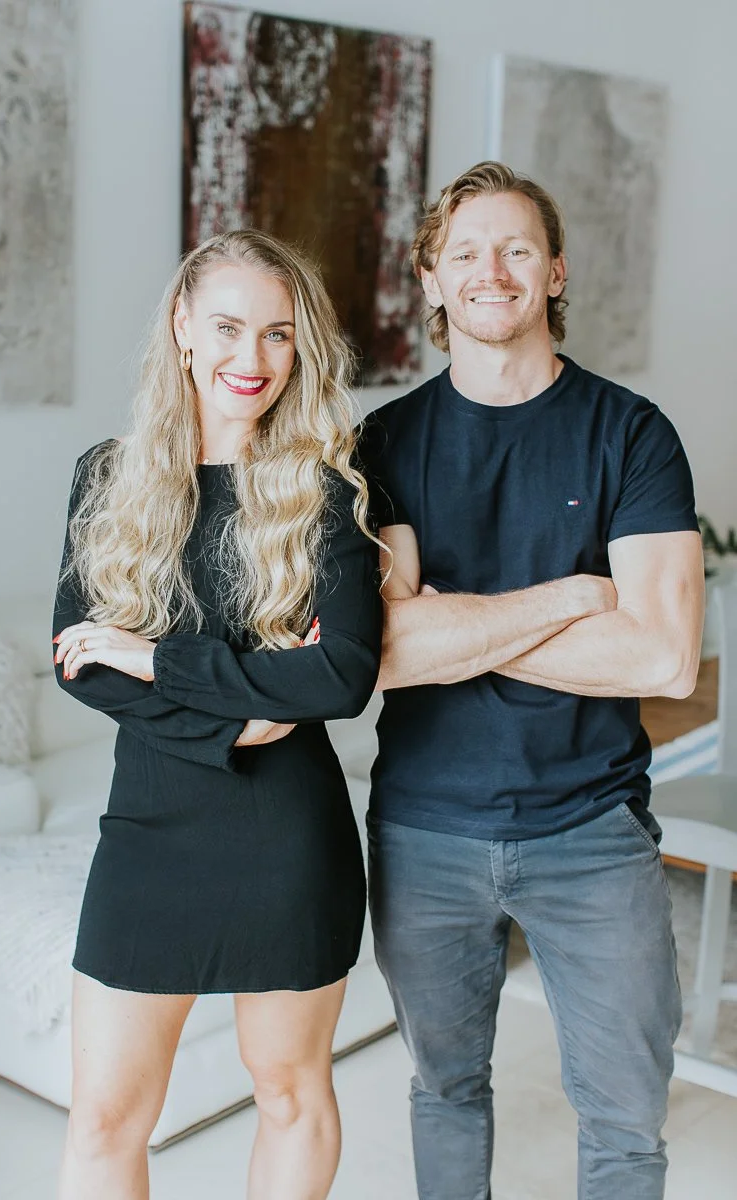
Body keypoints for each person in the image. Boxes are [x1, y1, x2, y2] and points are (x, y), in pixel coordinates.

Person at [357, 161, 705, 1199]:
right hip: (425, 830)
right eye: (463, 252)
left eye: (516, 249)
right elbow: (384, 654)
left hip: (592, 829)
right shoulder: (386, 442)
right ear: (430, 279)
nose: (491, 271)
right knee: (444, 1091)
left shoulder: (631, 434)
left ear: (555, 271)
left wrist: (453, 624)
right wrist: (573, 597)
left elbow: (660, 657)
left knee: (625, 1123)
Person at [51, 229, 382, 1200]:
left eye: (278, 334)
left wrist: (156, 657)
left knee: (288, 1091)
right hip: (148, 827)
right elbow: (80, 662)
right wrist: (236, 718)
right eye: (229, 327)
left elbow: (340, 676)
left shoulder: (325, 490)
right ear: (183, 326)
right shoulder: (106, 476)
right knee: (104, 1118)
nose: (253, 358)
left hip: (286, 838)